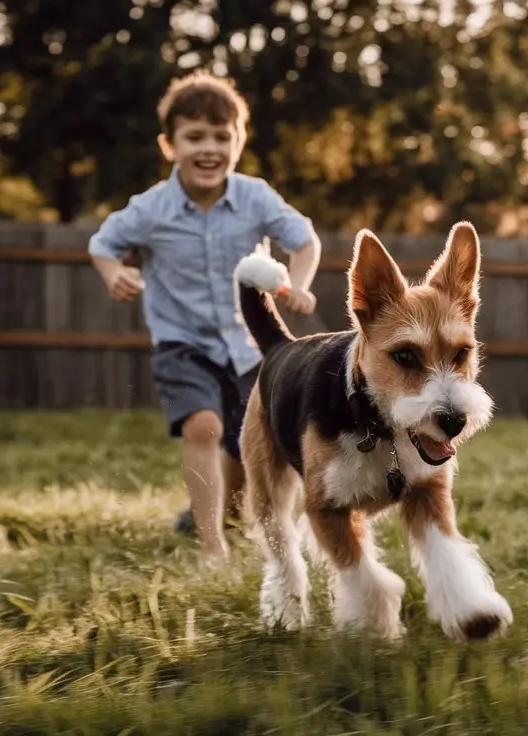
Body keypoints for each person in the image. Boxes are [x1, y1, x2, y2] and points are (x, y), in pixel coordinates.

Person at [88, 71, 322, 566]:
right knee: (204, 427)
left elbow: (304, 239)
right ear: (169, 145)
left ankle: (232, 514)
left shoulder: (255, 197)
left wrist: (297, 283)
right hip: (182, 343)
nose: (209, 148)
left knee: (252, 442)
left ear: (239, 141)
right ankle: (211, 547)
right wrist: (113, 275)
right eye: (194, 137)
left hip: (248, 344)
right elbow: (103, 243)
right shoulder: (151, 209)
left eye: (222, 136)